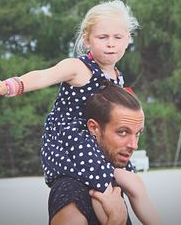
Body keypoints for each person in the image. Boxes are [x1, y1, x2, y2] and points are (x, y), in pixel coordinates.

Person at [0, 1, 160, 224]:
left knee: (133, 183)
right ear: (87, 39)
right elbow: (43, 76)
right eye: (103, 37)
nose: (111, 44)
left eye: (118, 37)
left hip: (97, 141)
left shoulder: (117, 76)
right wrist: (10, 86)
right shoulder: (78, 67)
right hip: (71, 137)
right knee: (103, 185)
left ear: (128, 39)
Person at [49, 82, 162, 224]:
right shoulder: (71, 192)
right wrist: (115, 220)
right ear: (94, 128)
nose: (134, 145)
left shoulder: (115, 174)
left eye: (138, 134)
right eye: (122, 132)